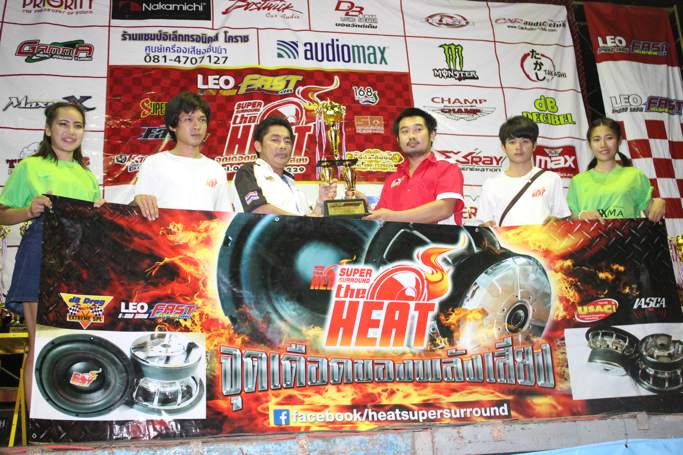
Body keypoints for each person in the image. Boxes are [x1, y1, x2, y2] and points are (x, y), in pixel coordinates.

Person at [0, 102, 102, 408]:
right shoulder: (29, 167)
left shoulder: (87, 176)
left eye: (77, 125)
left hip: (78, 260)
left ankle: (67, 419)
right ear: (47, 129)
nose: (71, 131)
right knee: (41, 342)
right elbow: (3, 214)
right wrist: (28, 210)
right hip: (39, 253)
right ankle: (36, 428)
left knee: (73, 346)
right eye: (63, 124)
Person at [134, 91, 231, 220]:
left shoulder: (216, 169)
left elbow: (224, 218)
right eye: (188, 119)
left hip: (204, 232)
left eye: (202, 120)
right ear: (172, 125)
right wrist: (138, 201)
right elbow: (141, 211)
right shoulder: (153, 164)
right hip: (163, 232)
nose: (197, 126)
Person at [363, 108, 464, 224]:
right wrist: (365, 209)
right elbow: (380, 219)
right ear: (398, 140)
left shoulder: (447, 167)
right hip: (398, 236)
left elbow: (444, 209)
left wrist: (392, 216)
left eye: (418, 130)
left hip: (438, 236)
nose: (411, 136)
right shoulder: (392, 179)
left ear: (432, 135)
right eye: (405, 131)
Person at [231, 116, 336, 215]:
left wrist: (321, 202)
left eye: (287, 141)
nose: (283, 146)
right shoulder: (248, 172)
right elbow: (258, 211)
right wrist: (304, 221)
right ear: (258, 146)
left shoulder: (291, 183)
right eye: (275, 140)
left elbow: (310, 222)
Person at [478, 115, 570, 227]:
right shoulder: (491, 184)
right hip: (504, 239)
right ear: (503, 147)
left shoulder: (551, 179)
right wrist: (484, 228)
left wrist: (558, 222)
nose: (518, 147)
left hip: (543, 239)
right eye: (512, 142)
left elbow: (562, 220)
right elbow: (484, 225)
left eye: (525, 141)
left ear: (534, 145)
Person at [567, 117, 665, 222]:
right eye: (596, 139)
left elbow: (651, 213)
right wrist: (581, 216)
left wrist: (658, 204)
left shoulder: (635, 176)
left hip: (628, 233)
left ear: (619, 141)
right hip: (589, 233)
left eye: (609, 138)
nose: (603, 145)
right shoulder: (577, 181)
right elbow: (570, 219)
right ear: (590, 144)